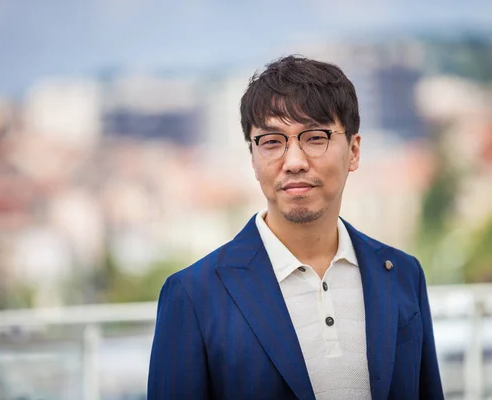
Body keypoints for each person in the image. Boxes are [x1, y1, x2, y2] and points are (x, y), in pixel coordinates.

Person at [148, 55, 444, 400]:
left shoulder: (402, 275)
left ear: (354, 151)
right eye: (272, 141)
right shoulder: (194, 295)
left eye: (315, 137)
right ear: (253, 159)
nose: (294, 162)